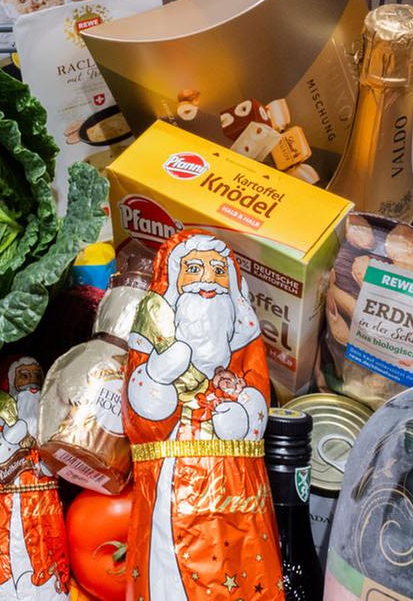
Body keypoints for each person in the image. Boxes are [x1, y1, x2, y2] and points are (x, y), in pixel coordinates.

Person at [124, 230, 284, 600]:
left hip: (237, 493)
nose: (208, 281)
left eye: (217, 270)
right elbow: (139, 420)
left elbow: (257, 391)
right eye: (193, 269)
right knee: (166, 572)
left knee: (243, 575)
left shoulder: (244, 340)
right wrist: (158, 377)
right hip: (168, 485)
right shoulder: (153, 343)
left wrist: (244, 418)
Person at [0, 355, 72, 600]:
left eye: (37, 377)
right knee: (12, 564)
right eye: (24, 376)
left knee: (46, 565)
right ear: (10, 382)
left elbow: (58, 462)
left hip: (45, 508)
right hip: (8, 510)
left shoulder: (48, 419)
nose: (32, 384)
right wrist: (20, 428)